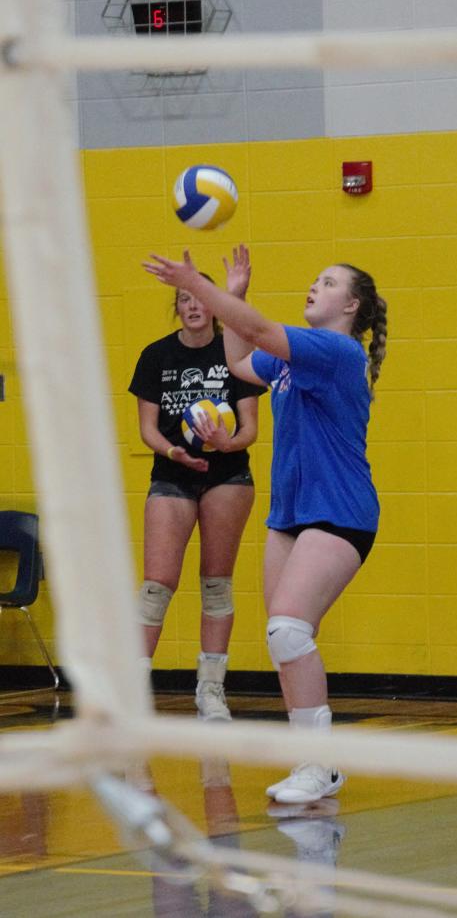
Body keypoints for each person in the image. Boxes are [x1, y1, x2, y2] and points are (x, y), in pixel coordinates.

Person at [143, 244, 387, 804]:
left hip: (341, 511)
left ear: (350, 306)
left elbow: (255, 330)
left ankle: (319, 765)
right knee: (284, 640)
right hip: (291, 516)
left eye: (327, 282)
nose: (314, 286)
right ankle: (313, 765)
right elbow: (238, 361)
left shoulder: (335, 351)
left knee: (288, 630)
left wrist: (204, 290)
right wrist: (234, 294)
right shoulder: (293, 360)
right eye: (314, 278)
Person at [128, 273, 264, 722]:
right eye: (184, 299)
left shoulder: (235, 352)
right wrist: (173, 451)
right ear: (177, 307)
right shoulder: (156, 355)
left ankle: (211, 691)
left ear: (214, 305)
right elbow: (147, 428)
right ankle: (130, 693)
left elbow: (250, 430)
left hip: (227, 477)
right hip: (172, 475)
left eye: (200, 298)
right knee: (156, 585)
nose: (192, 306)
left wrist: (225, 444)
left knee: (216, 583)